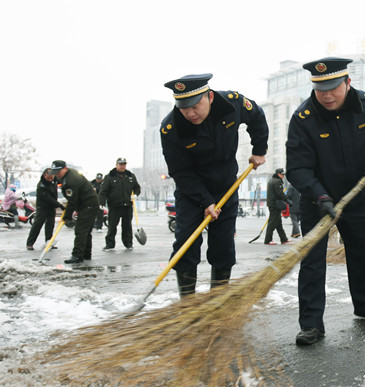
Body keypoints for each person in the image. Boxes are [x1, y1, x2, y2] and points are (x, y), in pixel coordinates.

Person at [286, 57, 365, 345]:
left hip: (356, 195)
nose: (326, 95)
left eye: (332, 88)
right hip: (317, 200)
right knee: (313, 261)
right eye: (320, 89)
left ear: (347, 83)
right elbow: (297, 168)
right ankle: (311, 324)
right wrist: (320, 196)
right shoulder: (303, 118)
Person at [160, 73, 268, 296]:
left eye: (195, 106)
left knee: (223, 245)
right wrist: (206, 201)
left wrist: (259, 150)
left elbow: (257, 117)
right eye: (184, 108)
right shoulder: (171, 128)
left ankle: (217, 300)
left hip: (226, 186)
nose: (190, 113)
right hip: (191, 191)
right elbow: (180, 172)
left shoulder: (232, 104)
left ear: (209, 97)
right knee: (186, 242)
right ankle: (188, 303)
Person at [48, 160, 99, 263]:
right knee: (85, 231)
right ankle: (86, 254)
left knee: (81, 230)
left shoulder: (71, 181)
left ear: (65, 168)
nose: (56, 174)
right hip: (87, 203)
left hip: (88, 205)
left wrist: (66, 216)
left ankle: (77, 255)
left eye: (58, 171)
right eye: (55, 172)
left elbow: (72, 201)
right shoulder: (68, 175)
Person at [98, 158, 141, 251]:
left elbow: (137, 188)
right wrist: (101, 202)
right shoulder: (110, 176)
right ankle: (110, 244)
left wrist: (136, 194)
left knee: (127, 227)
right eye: (120, 164)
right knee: (112, 226)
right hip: (114, 206)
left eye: (124, 164)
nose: (122, 166)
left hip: (127, 206)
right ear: (116, 165)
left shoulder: (130, 176)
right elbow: (103, 191)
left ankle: (128, 243)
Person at [26, 168, 65, 250]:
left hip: (51, 207)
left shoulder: (54, 180)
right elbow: (49, 199)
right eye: (48, 178)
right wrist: (60, 205)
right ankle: (30, 243)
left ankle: (49, 242)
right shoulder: (42, 185)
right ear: (44, 175)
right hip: (43, 207)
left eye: (52, 177)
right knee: (37, 225)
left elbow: (62, 182)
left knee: (50, 225)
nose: (50, 179)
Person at [264, 168, 291, 245]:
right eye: (282, 174)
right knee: (272, 223)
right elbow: (279, 193)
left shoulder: (271, 180)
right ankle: (268, 240)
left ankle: (284, 239)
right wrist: (287, 200)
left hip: (272, 204)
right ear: (278, 174)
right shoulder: (277, 181)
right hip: (275, 205)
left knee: (278, 223)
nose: (283, 176)